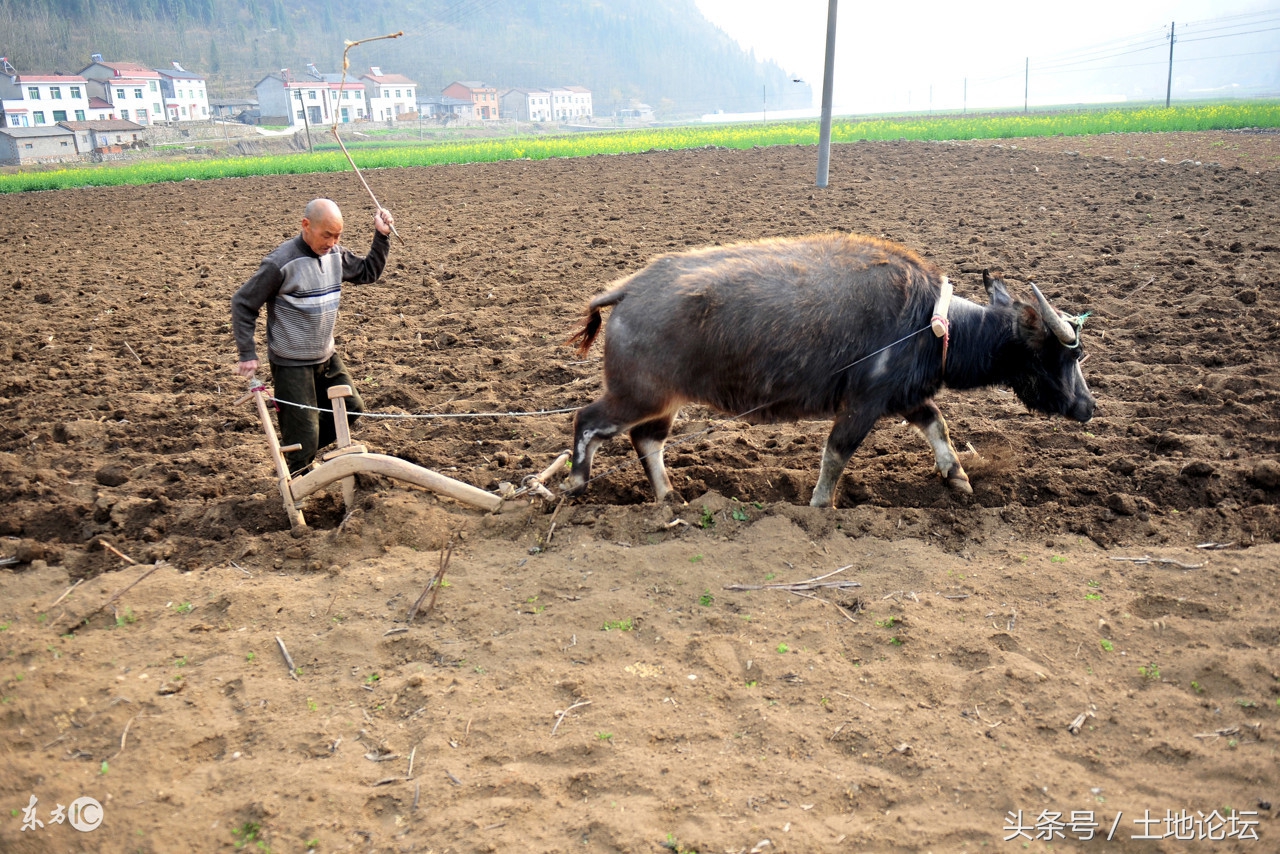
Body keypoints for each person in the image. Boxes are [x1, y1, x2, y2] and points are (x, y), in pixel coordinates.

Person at [232, 198, 394, 474]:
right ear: (306, 226)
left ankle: (304, 449)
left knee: (353, 408)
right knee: (301, 440)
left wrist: (381, 236)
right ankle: (297, 485)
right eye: (326, 235)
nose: (332, 241)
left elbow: (368, 272)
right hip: (291, 364)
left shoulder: (335, 255)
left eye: (337, 235)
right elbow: (243, 303)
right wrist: (248, 353)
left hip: (326, 356)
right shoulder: (280, 263)